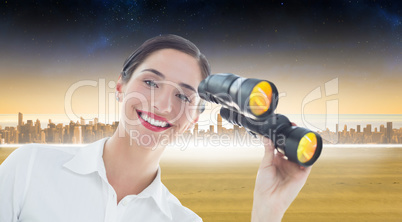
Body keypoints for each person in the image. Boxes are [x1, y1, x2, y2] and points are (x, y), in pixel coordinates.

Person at [0, 34, 311, 222]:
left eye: (183, 96)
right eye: (150, 82)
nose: (163, 105)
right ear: (121, 85)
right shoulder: (29, 169)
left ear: (194, 117)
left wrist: (267, 212)